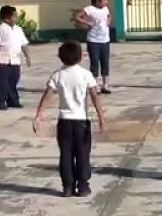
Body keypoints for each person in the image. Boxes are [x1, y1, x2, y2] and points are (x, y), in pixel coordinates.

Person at [33, 42, 107, 197]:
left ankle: (67, 186)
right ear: (80, 57)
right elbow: (95, 96)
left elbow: (47, 96)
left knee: (65, 154)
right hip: (81, 121)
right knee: (82, 154)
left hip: (64, 121)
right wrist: (101, 116)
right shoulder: (85, 74)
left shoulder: (57, 75)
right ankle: (83, 185)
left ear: (61, 58)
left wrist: (39, 115)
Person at [0, 5, 31, 110]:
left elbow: (24, 44)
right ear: (7, 17)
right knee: (2, 83)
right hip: (3, 60)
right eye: (14, 16)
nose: (16, 18)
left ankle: (13, 101)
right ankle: (0, 102)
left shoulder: (18, 29)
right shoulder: (0, 29)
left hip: (15, 60)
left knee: (14, 81)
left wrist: (27, 57)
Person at [74, 0, 113, 94]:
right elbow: (77, 16)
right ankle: (94, 85)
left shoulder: (105, 9)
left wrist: (109, 21)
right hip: (93, 40)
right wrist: (87, 23)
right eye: (105, 0)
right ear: (98, 0)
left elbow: (109, 16)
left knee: (105, 62)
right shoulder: (90, 9)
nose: (106, 2)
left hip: (105, 40)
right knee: (94, 62)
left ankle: (105, 85)